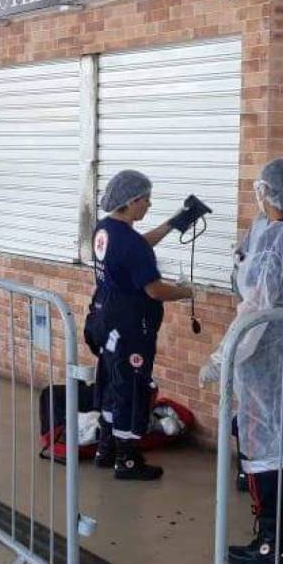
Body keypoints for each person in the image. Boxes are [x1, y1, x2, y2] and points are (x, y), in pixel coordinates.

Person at [202, 159, 283, 564]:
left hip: (264, 357)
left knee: (259, 451)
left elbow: (255, 310)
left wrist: (222, 358)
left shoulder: (274, 240)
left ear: (267, 193)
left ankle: (268, 544)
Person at [84, 169, 207, 481]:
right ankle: (127, 460)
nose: (149, 205)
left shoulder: (106, 228)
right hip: (130, 327)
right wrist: (188, 291)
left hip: (106, 319)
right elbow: (154, 290)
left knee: (113, 381)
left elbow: (139, 244)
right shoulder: (130, 243)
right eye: (147, 200)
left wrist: (174, 223)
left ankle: (106, 448)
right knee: (132, 387)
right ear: (132, 201)